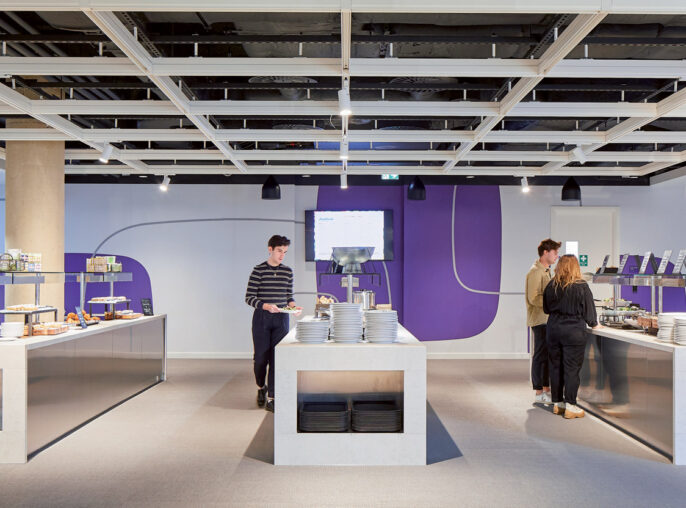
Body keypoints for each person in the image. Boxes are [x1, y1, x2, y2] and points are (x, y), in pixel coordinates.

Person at [245, 235, 301, 413]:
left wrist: (293, 307)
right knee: (261, 358)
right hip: (262, 317)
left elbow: (288, 296)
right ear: (270, 249)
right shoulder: (258, 270)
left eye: (284, 252)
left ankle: (272, 397)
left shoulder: (287, 271)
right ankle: (261, 387)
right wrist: (267, 306)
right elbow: (249, 298)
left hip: (282, 318)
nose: (282, 255)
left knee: (277, 358)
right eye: (279, 251)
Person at [543, 255, 601, 419]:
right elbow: (590, 314)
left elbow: (546, 309)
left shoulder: (551, 284)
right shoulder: (581, 285)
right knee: (571, 369)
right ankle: (571, 406)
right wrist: (595, 324)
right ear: (576, 267)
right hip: (573, 331)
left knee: (555, 367)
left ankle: (557, 404)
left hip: (553, 329)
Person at [525, 239, 560, 405]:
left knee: (547, 356)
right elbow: (533, 298)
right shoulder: (535, 272)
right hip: (540, 320)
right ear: (545, 252)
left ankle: (546, 389)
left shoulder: (547, 271)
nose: (557, 256)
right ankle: (539, 391)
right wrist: (553, 304)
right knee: (540, 355)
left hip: (548, 320)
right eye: (555, 253)